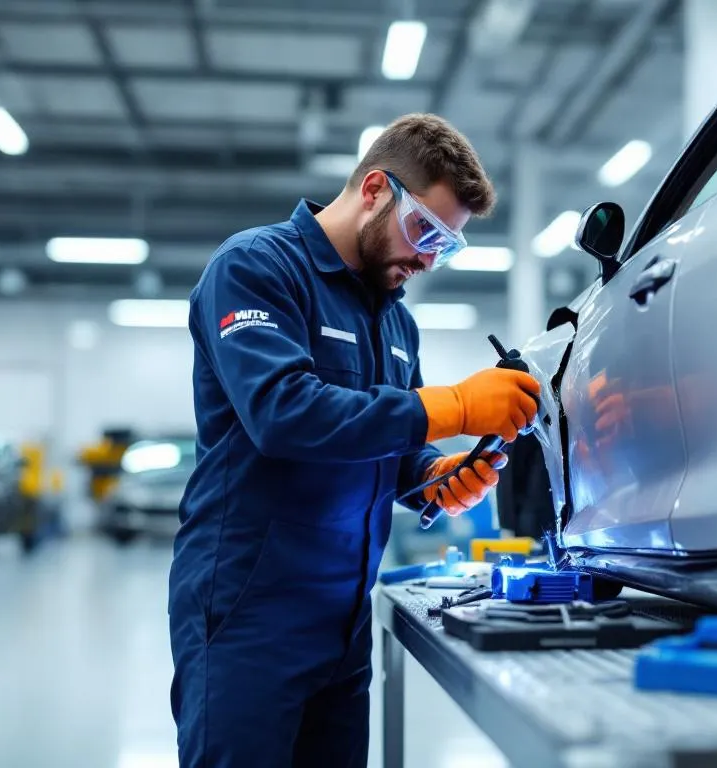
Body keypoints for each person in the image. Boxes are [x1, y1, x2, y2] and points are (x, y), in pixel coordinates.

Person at [168, 113, 541, 768]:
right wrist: (451, 405)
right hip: (247, 618)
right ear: (373, 189)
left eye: (446, 247)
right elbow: (283, 413)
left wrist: (437, 472)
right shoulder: (256, 269)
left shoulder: (396, 323)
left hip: (345, 625)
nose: (427, 258)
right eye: (425, 230)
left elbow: (394, 452)